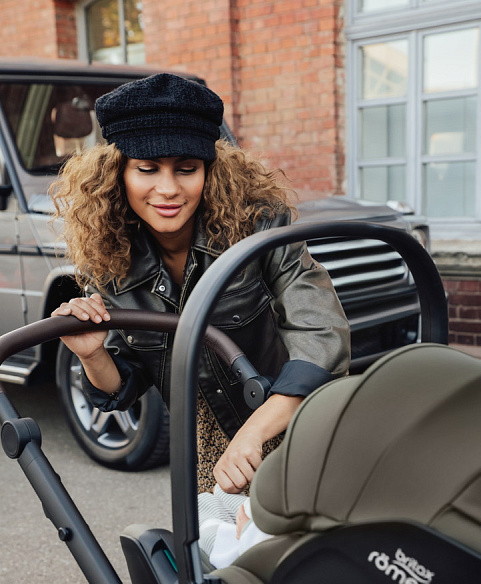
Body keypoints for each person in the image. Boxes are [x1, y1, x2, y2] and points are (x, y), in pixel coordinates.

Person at [50, 73, 350, 493]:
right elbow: (122, 387)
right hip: (205, 447)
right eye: (147, 169)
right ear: (117, 174)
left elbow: (322, 334)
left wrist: (254, 433)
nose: (168, 189)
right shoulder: (110, 254)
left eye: (187, 169)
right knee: (214, 535)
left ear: (210, 171)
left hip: (293, 420)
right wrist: (92, 354)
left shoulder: (259, 226)